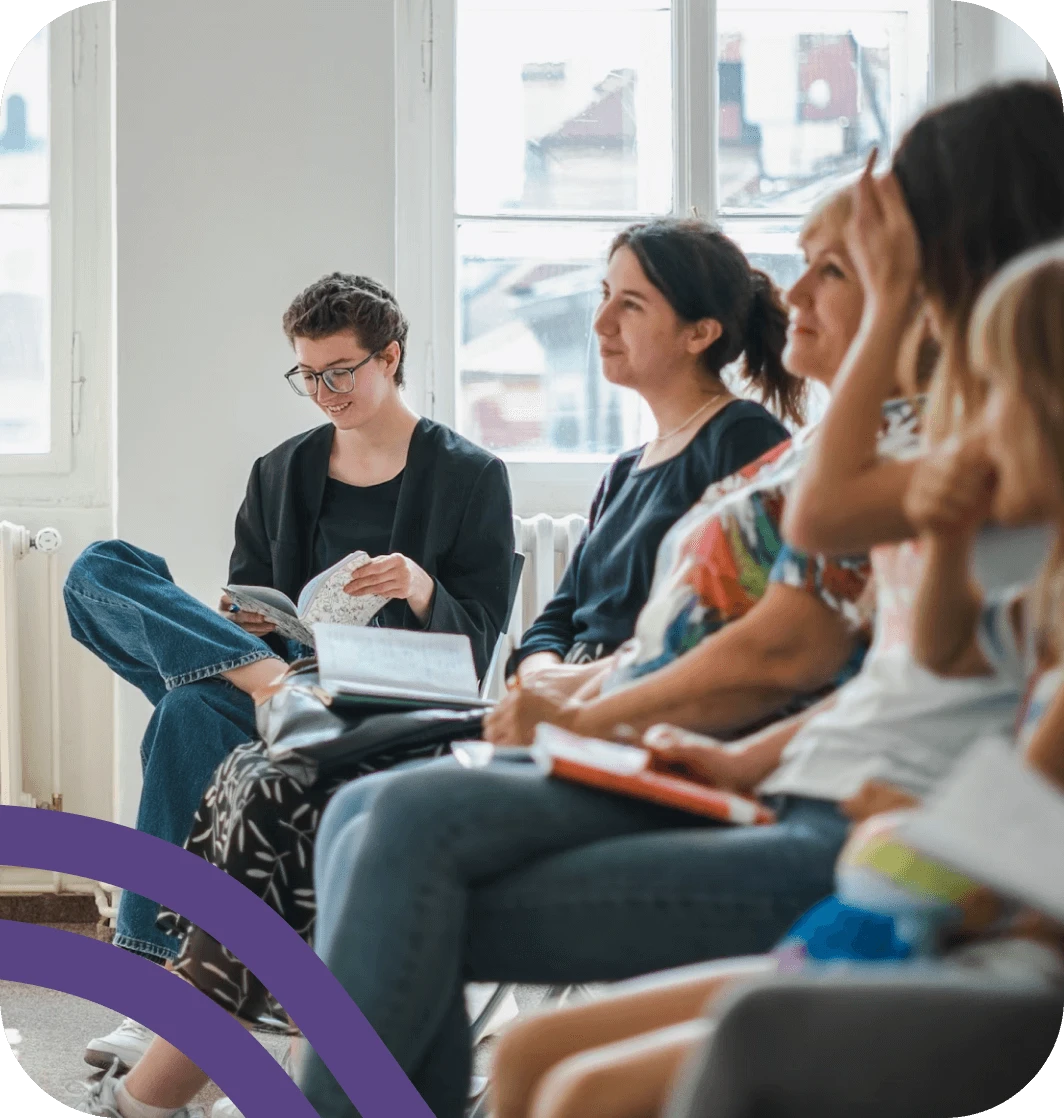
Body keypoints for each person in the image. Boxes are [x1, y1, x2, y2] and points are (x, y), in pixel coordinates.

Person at [294, 81, 1064, 1118]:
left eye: (856, 260)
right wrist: (635, 716)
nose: (797, 291)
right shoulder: (908, 445)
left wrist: (586, 712)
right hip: (777, 773)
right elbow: (909, 661)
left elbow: (795, 641)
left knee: (401, 844)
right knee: (370, 820)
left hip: (851, 825)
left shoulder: (974, 450)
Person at [484, 240, 1064, 1118]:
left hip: (981, 954)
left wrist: (906, 831)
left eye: (994, 395)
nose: (966, 427)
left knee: (588, 1090)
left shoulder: (754, 440)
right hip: (905, 901)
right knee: (530, 1050)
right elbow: (938, 651)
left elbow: (1017, 871)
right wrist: (745, 762)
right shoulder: (1034, 592)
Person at [65, 274, 514, 1065]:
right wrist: (243, 624)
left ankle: (163, 993)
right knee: (103, 568)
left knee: (184, 714)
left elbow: (477, 643)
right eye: (307, 375)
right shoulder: (281, 470)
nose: (323, 391)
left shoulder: (470, 475)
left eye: (339, 371)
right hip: (276, 677)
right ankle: (163, 990)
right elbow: (255, 592)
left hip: (386, 702)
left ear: (391, 356)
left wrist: (419, 587)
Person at [506, 218, 801, 699]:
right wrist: (541, 678)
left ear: (699, 333)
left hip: (643, 705)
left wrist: (567, 689)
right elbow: (557, 619)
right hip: (569, 698)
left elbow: (727, 630)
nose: (601, 321)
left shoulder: (743, 440)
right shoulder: (624, 472)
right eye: (605, 294)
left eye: (631, 305)